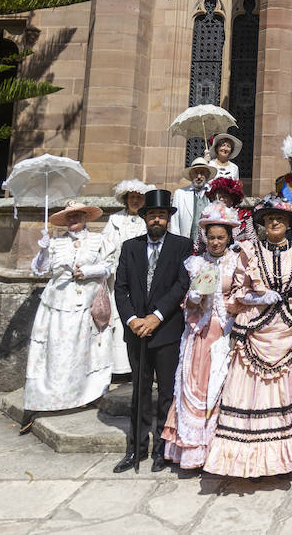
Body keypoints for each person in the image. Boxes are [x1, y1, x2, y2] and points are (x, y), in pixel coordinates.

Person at [204, 196, 292, 478]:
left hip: (288, 330)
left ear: (289, 223)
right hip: (256, 329)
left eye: (279, 218)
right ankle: (254, 460)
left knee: (289, 392)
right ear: (263, 224)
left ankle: (290, 456)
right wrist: (259, 296)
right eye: (268, 219)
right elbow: (238, 293)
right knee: (254, 394)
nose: (274, 222)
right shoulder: (249, 251)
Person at [113, 189, 192, 473]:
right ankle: (136, 449)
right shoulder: (130, 247)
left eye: (161, 215)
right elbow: (120, 288)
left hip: (166, 329)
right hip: (136, 332)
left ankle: (162, 448)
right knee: (140, 391)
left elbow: (181, 285)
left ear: (168, 218)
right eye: (152, 215)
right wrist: (133, 319)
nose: (156, 219)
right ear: (144, 217)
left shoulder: (182, 246)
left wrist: (156, 317)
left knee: (167, 393)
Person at [161, 204, 242, 471]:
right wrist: (194, 298)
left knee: (225, 385)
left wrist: (235, 305)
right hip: (200, 332)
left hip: (228, 331)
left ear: (229, 237)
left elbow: (246, 292)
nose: (216, 242)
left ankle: (222, 449)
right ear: (205, 238)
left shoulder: (238, 260)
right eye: (212, 237)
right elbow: (187, 303)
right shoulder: (196, 263)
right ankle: (195, 451)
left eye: (221, 237)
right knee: (197, 384)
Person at [25, 200, 113, 414]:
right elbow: (40, 269)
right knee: (58, 350)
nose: (73, 219)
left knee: (85, 350)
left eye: (77, 215)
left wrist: (88, 272)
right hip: (58, 303)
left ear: (85, 217)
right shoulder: (56, 243)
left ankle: (87, 394)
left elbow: (109, 266)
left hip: (87, 302)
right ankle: (53, 396)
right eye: (69, 216)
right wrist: (44, 250)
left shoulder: (98, 240)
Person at [105, 179, 154, 374]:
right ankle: (117, 367)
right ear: (126, 200)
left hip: (142, 275)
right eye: (132, 198)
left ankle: (136, 365)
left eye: (139, 198)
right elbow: (106, 244)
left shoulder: (148, 220)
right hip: (118, 274)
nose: (135, 201)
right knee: (118, 316)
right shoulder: (115, 219)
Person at [172, 158, 218, 246]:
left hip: (209, 245)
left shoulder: (214, 193)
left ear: (208, 175)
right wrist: (175, 246)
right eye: (196, 173)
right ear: (190, 175)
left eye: (202, 173)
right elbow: (175, 223)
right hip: (185, 244)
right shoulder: (180, 194)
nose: (199, 176)